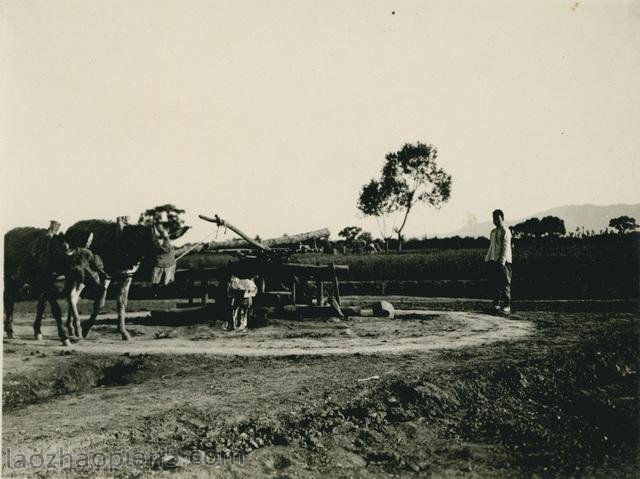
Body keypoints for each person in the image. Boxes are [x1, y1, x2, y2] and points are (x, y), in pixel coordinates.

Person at [485, 209, 512, 314]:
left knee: (505, 283)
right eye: (494, 218)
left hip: (504, 262)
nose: (495, 220)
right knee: (494, 284)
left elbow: (506, 247)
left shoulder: (506, 230)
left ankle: (507, 306)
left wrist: (502, 261)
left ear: (502, 218)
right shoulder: (493, 232)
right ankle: (496, 305)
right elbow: (491, 247)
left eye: (498, 218)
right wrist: (488, 258)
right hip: (493, 260)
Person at [150, 212, 177, 296]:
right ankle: (156, 292)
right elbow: (156, 241)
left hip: (168, 257)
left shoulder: (166, 230)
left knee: (167, 277)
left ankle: (166, 290)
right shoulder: (154, 229)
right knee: (157, 276)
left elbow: (170, 238)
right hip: (160, 256)